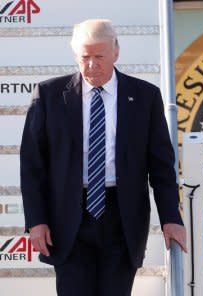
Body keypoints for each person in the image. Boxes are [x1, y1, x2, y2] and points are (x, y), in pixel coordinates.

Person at [20, 19, 186, 296]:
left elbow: (161, 167)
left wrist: (171, 217)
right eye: (85, 57)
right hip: (69, 218)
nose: (92, 65)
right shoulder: (49, 96)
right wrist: (36, 221)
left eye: (99, 56)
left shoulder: (145, 97)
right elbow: (32, 165)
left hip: (122, 217)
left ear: (115, 53)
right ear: (76, 56)